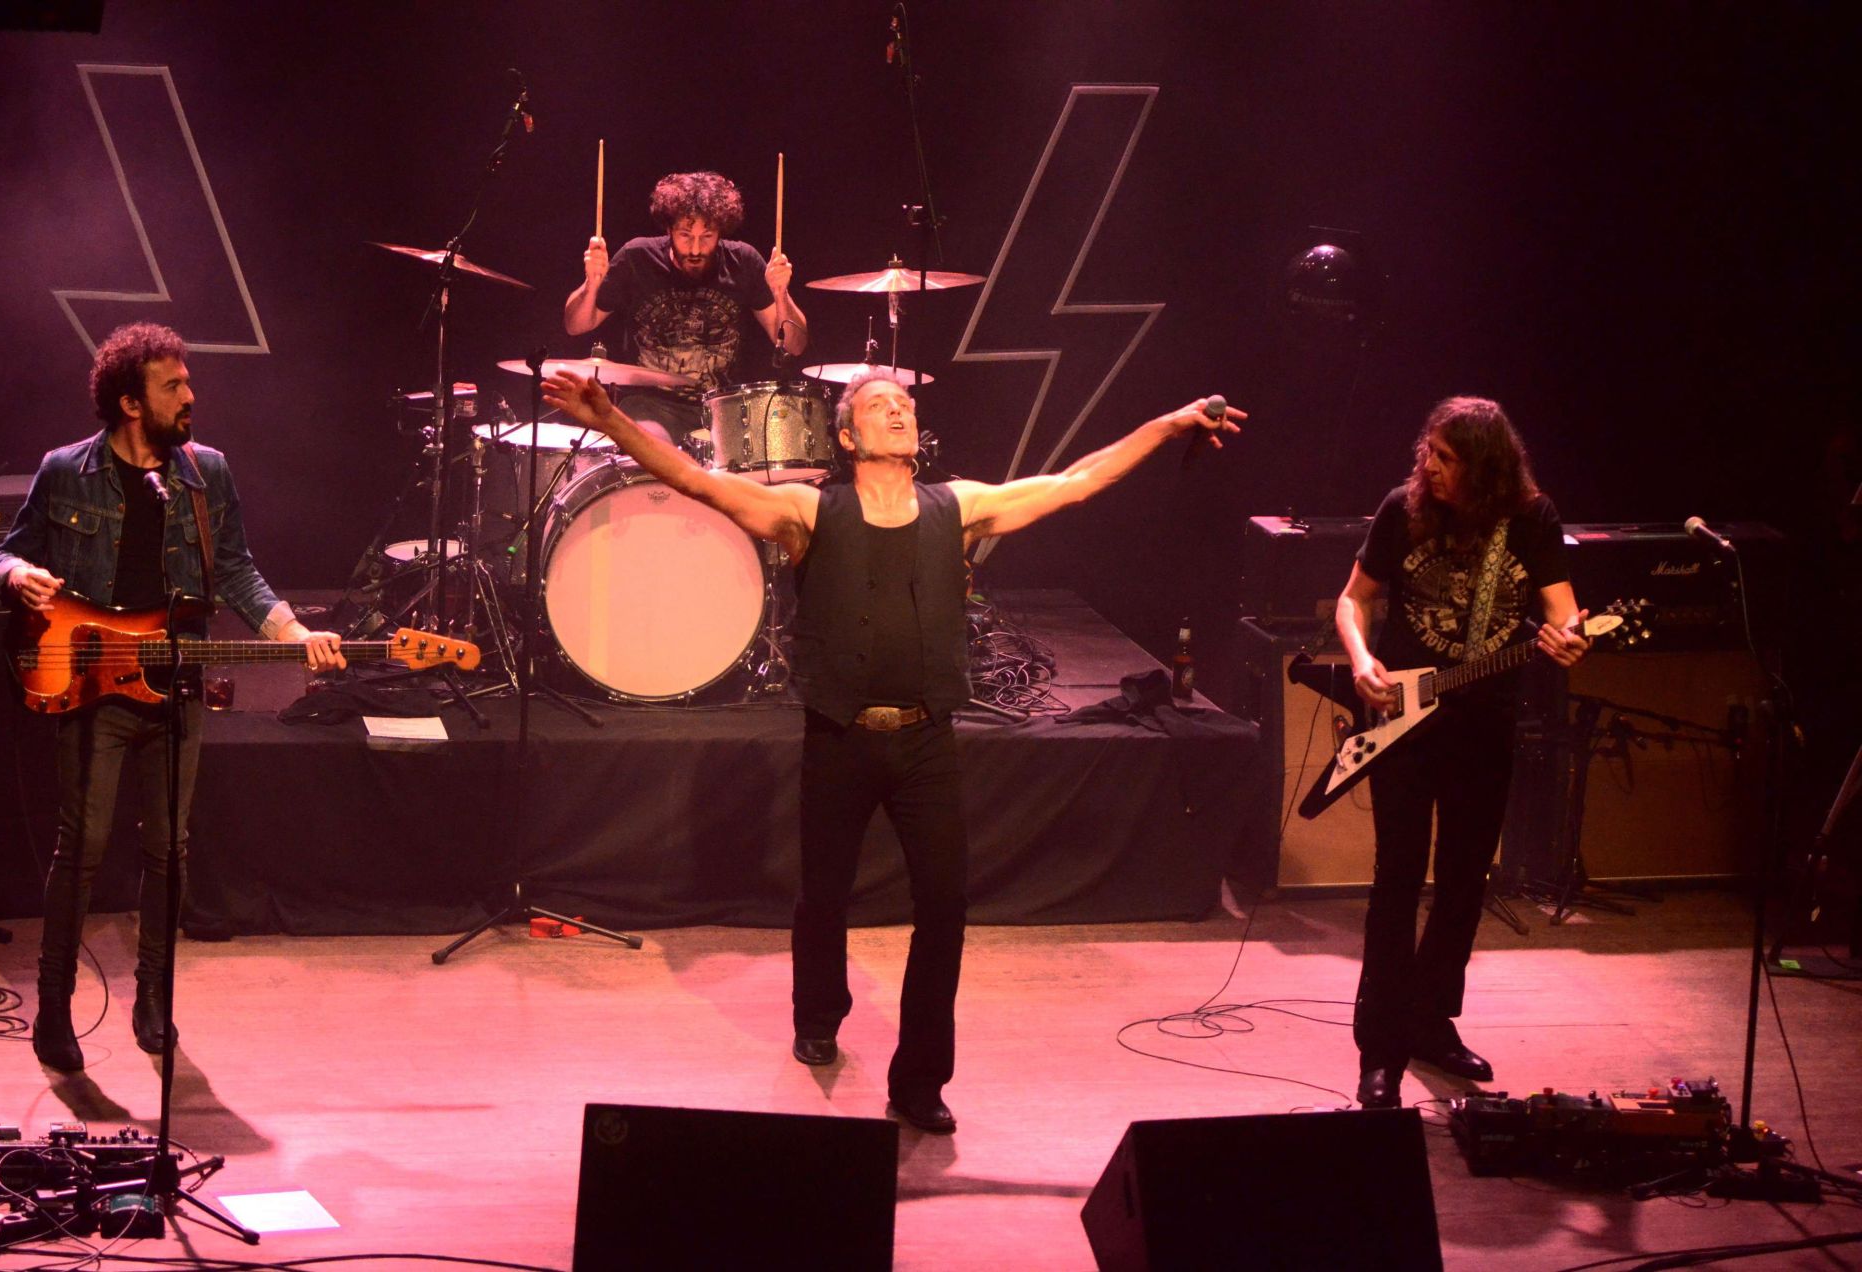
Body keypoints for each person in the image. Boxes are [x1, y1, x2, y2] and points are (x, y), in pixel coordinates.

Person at [543, 365, 1243, 1134]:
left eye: (905, 404)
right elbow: (700, 482)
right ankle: (819, 1013)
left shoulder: (960, 507)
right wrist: (611, 422)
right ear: (847, 437)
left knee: (944, 906)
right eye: (880, 406)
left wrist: (1168, 425)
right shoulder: (809, 510)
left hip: (924, 742)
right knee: (825, 892)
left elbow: (1076, 481)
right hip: (841, 735)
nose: (899, 412)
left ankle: (919, 1082)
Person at [0, 322, 346, 1071]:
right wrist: (16, 576)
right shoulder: (65, 471)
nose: (192, 396)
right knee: (81, 848)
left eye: (188, 383)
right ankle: (53, 1007)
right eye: (173, 386)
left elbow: (239, 571)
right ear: (130, 402)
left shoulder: (204, 473)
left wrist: (291, 630)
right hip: (91, 689)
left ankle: (154, 997)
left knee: (168, 849)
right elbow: (9, 550)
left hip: (175, 682)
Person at [1333, 396, 1589, 1109]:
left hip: (1485, 723)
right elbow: (1353, 600)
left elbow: (1560, 608)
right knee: (1397, 879)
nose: (1430, 467)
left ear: (1485, 467)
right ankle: (1379, 1047)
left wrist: (1569, 635)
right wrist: (1359, 660)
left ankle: (1431, 1023)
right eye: (1429, 453)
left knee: (1465, 881)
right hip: (1405, 722)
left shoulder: (1531, 518)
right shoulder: (1402, 509)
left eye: (1446, 459)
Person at [562, 169, 810, 443]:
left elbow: (794, 345)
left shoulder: (744, 261)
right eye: (685, 235)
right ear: (668, 229)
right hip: (649, 406)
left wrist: (781, 294)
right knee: (653, 443)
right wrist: (591, 283)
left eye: (707, 236)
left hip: (720, 410)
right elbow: (576, 325)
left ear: (720, 232)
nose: (695, 249)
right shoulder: (637, 257)